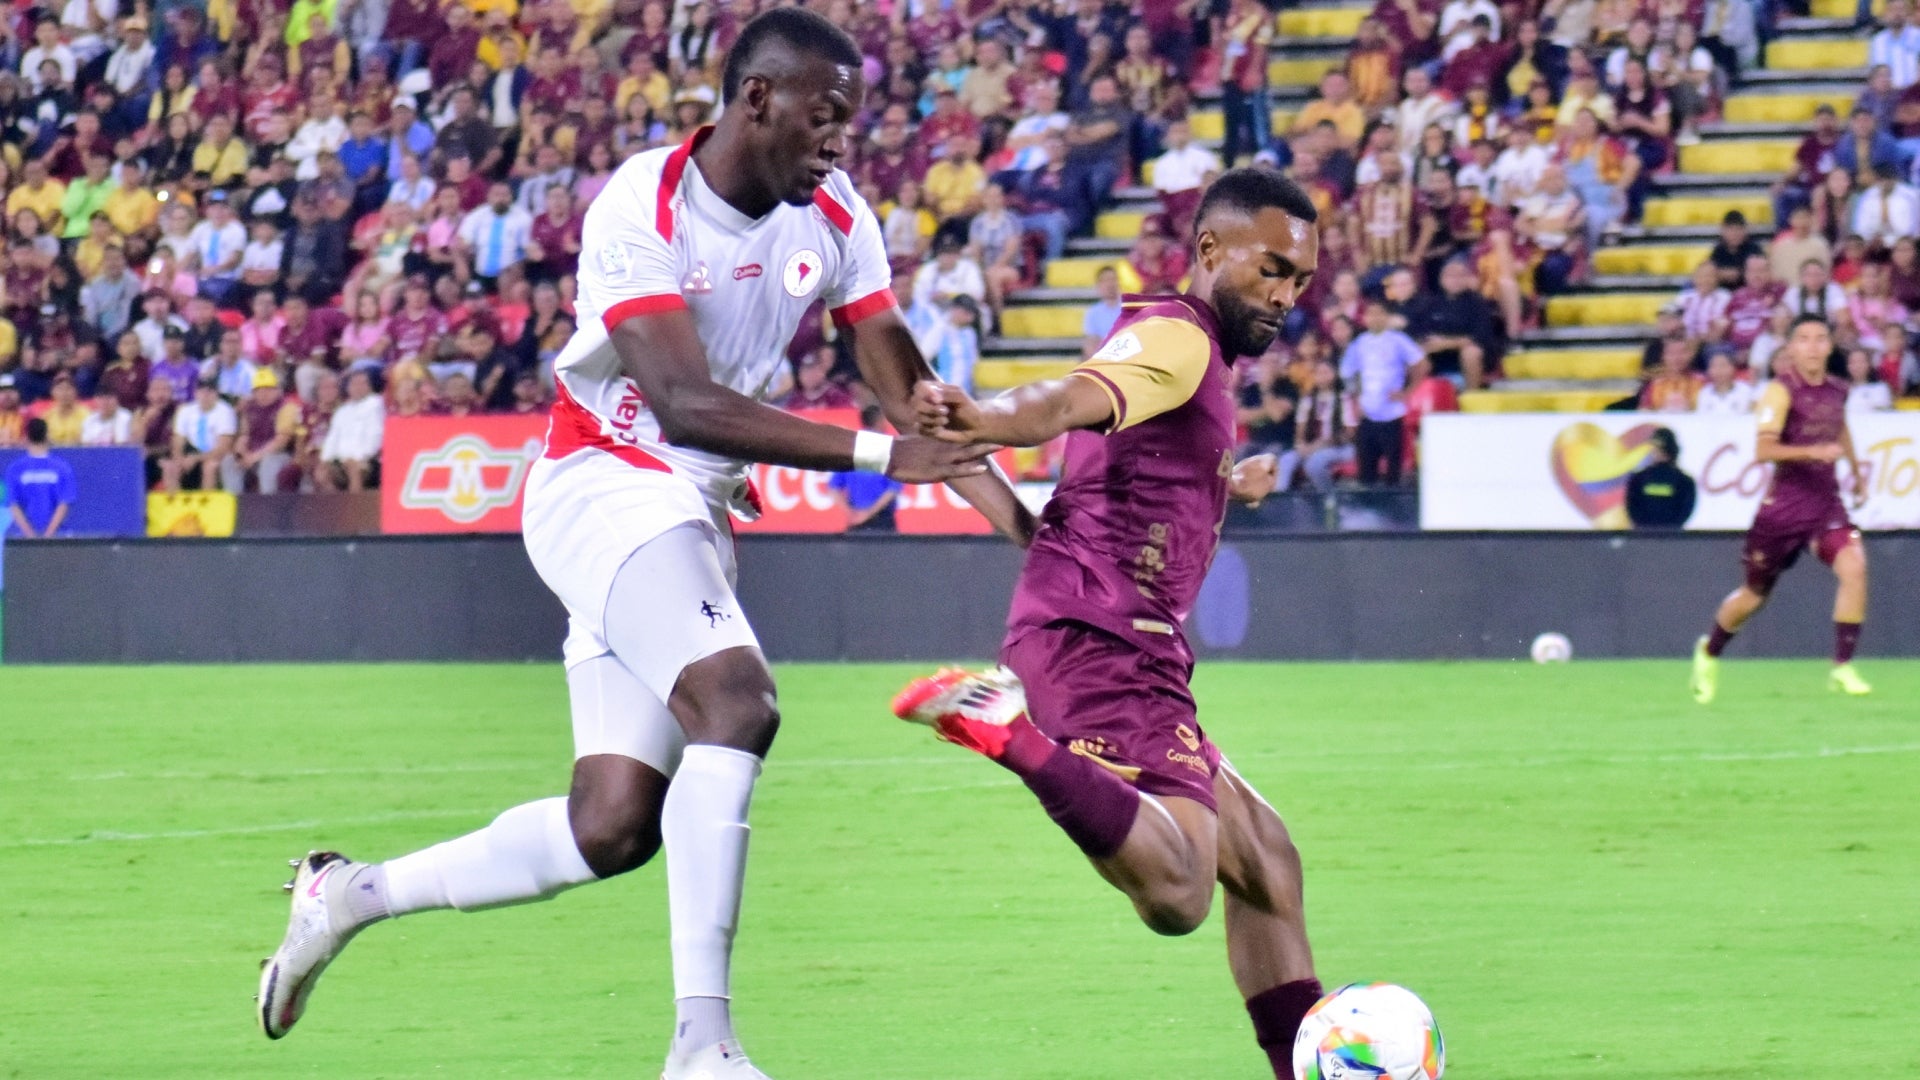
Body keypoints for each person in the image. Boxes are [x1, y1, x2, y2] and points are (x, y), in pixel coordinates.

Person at [256, 15, 1026, 1080]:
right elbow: (681, 401)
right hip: (602, 480)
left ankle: (346, 898)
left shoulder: (838, 213)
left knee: (612, 827)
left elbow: (909, 394)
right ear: (756, 99)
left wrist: (1028, 528)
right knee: (738, 703)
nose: (845, 140)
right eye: (827, 115)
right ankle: (701, 1047)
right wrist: (879, 458)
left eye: (852, 119)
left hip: (688, 514)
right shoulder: (641, 202)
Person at [889, 168, 1322, 1080]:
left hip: (1108, 638)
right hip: (1105, 651)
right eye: (1273, 269)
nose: (1286, 296)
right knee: (1179, 892)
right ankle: (1002, 732)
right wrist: (989, 417)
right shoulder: (1176, 340)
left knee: (1269, 863)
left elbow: (1077, 516)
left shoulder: (1179, 353)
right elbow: (1056, 401)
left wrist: (1220, 482)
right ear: (1211, 250)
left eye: (1301, 281)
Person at [1691, 315, 1873, 704]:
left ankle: (1841, 666)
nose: (1812, 346)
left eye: (1820, 338)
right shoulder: (1779, 391)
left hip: (1826, 503)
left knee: (1855, 565)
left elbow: (1839, 428)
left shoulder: (1838, 389)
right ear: (1790, 348)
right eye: (1803, 339)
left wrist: (1856, 471)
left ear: (1829, 346)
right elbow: (1764, 450)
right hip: (1784, 510)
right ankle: (1709, 653)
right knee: (1753, 597)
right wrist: (1812, 451)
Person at [1340, 298, 1420, 485]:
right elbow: (1348, 372)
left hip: (1393, 414)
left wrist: (1408, 391)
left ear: (1387, 317)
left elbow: (1421, 364)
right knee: (1366, 471)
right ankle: (1369, 511)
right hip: (1367, 415)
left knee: (1394, 470)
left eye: (1379, 313)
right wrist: (1357, 399)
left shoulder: (1398, 340)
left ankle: (1393, 509)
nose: (1374, 318)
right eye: (1370, 314)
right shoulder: (1359, 343)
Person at [828, 405, 904, 532]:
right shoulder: (888, 449)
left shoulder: (850, 449)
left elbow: (833, 487)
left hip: (856, 519)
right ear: (879, 421)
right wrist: (868, 513)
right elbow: (893, 489)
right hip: (882, 519)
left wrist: (851, 513)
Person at [5, 418, 76, 538]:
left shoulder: (14, 469)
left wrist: (30, 535)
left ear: (26, 438)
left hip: (23, 540)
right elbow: (64, 503)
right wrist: (48, 535)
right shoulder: (62, 467)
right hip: (58, 538)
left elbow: (13, 504)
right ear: (47, 436)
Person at [164, 375, 237, 491]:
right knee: (170, 467)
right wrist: (180, 459)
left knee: (210, 467)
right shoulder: (185, 411)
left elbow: (223, 447)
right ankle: (174, 506)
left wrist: (196, 458)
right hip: (190, 453)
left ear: (216, 393)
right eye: (202, 391)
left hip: (213, 455)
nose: (206, 395)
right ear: (195, 393)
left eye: (210, 391)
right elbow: (177, 442)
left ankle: (206, 505)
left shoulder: (225, 411)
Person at [1625, 427, 1696, 528]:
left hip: (1667, 537)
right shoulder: (1638, 479)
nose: (1655, 452)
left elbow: (1684, 512)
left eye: (1658, 449)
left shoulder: (1684, 482)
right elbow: (1632, 509)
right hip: (1646, 536)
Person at [1081, 265, 1124, 357]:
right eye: (1105, 281)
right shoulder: (1093, 313)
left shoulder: (1127, 308)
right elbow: (1091, 342)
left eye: (1113, 279)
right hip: (1102, 359)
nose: (1110, 284)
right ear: (1098, 286)